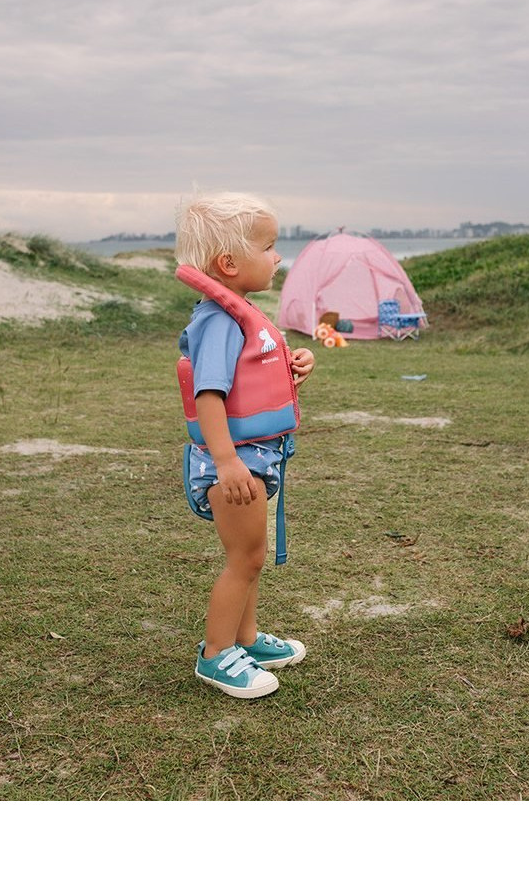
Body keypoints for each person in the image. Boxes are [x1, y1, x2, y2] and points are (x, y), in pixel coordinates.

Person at [175, 192, 315, 698]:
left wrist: (295, 365)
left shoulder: (238, 314)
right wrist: (227, 462)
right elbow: (209, 395)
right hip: (233, 464)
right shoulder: (217, 322)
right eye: (269, 247)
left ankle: (246, 640)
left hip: (251, 457)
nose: (278, 257)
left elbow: (251, 377)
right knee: (245, 559)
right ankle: (216, 654)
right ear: (229, 264)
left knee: (251, 555)